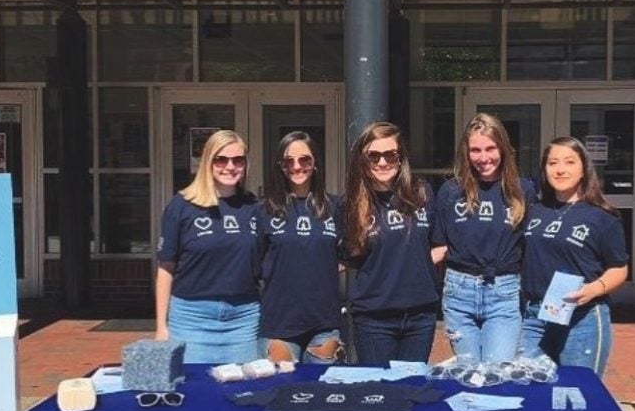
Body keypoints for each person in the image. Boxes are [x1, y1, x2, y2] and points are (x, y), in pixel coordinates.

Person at [520, 136, 629, 377]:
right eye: (552, 163)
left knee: (577, 395)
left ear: (583, 169)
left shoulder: (602, 216)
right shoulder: (535, 210)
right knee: (531, 392)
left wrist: (594, 289)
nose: (560, 170)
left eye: (569, 162)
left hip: (583, 318)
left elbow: (619, 269)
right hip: (535, 317)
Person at [432, 113, 534, 362]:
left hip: (504, 292)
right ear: (466, 153)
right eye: (475, 150)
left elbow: (535, 246)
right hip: (458, 292)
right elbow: (439, 247)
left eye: (490, 148)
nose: (483, 157)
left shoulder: (523, 191)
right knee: (468, 374)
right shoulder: (451, 191)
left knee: (496, 373)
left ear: (504, 149)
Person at [155, 129, 262, 363]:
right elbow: (165, 268)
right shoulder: (181, 205)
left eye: (238, 160)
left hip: (243, 318)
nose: (230, 166)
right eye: (221, 159)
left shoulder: (253, 206)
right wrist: (161, 327)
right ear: (207, 162)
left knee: (241, 391)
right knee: (196, 392)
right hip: (191, 318)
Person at [341, 122, 441, 366]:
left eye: (390, 155)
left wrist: (412, 268)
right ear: (362, 160)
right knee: (381, 394)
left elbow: (439, 245)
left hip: (420, 315)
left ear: (401, 158)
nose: (382, 162)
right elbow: (346, 258)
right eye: (373, 156)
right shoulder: (350, 205)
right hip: (374, 318)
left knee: (412, 391)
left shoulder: (422, 194)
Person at [257, 131, 343, 364]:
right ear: (281, 167)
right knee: (278, 394)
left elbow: (347, 254)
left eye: (305, 160)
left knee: (324, 396)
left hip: (324, 322)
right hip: (278, 323)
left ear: (315, 163)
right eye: (288, 161)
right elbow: (254, 261)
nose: (297, 166)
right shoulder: (264, 209)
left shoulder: (335, 207)